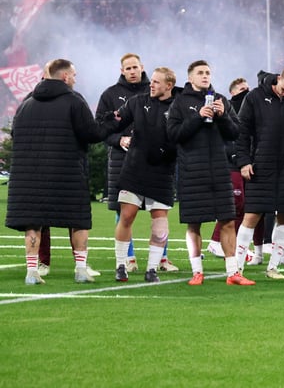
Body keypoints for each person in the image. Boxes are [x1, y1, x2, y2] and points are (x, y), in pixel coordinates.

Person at [5, 59, 119, 285]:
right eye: (74, 75)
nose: (75, 79)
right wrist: (111, 123)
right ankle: (80, 269)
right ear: (65, 77)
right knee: (77, 220)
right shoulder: (73, 100)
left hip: (30, 177)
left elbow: (16, 135)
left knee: (32, 221)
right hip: (67, 175)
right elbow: (92, 134)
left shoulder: (26, 102)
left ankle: (31, 272)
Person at [166, 60, 254, 286]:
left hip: (219, 170)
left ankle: (233, 272)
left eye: (207, 73)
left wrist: (223, 116)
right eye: (200, 73)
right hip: (192, 172)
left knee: (227, 221)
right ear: (190, 78)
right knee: (194, 224)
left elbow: (236, 132)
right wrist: (197, 116)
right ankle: (197, 272)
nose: (205, 76)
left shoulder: (220, 100)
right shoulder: (179, 103)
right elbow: (173, 135)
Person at [232, 67, 284, 280]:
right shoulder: (255, 97)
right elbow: (242, 132)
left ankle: (273, 267)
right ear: (278, 79)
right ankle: (236, 269)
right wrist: (243, 161)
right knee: (252, 215)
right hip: (262, 166)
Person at [96, 53, 177, 272]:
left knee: (159, 215)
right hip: (124, 162)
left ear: (142, 67)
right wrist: (117, 139)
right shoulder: (113, 95)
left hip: (159, 166)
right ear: (122, 70)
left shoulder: (170, 99)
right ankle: (126, 260)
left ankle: (160, 260)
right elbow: (104, 126)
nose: (132, 71)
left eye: (135, 67)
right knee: (124, 213)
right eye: (128, 68)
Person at [208, 77, 252, 260]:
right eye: (242, 89)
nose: (246, 92)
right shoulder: (224, 107)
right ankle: (216, 241)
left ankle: (230, 243)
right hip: (228, 162)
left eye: (247, 88)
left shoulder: (248, 108)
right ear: (232, 92)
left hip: (241, 161)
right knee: (234, 203)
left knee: (242, 206)